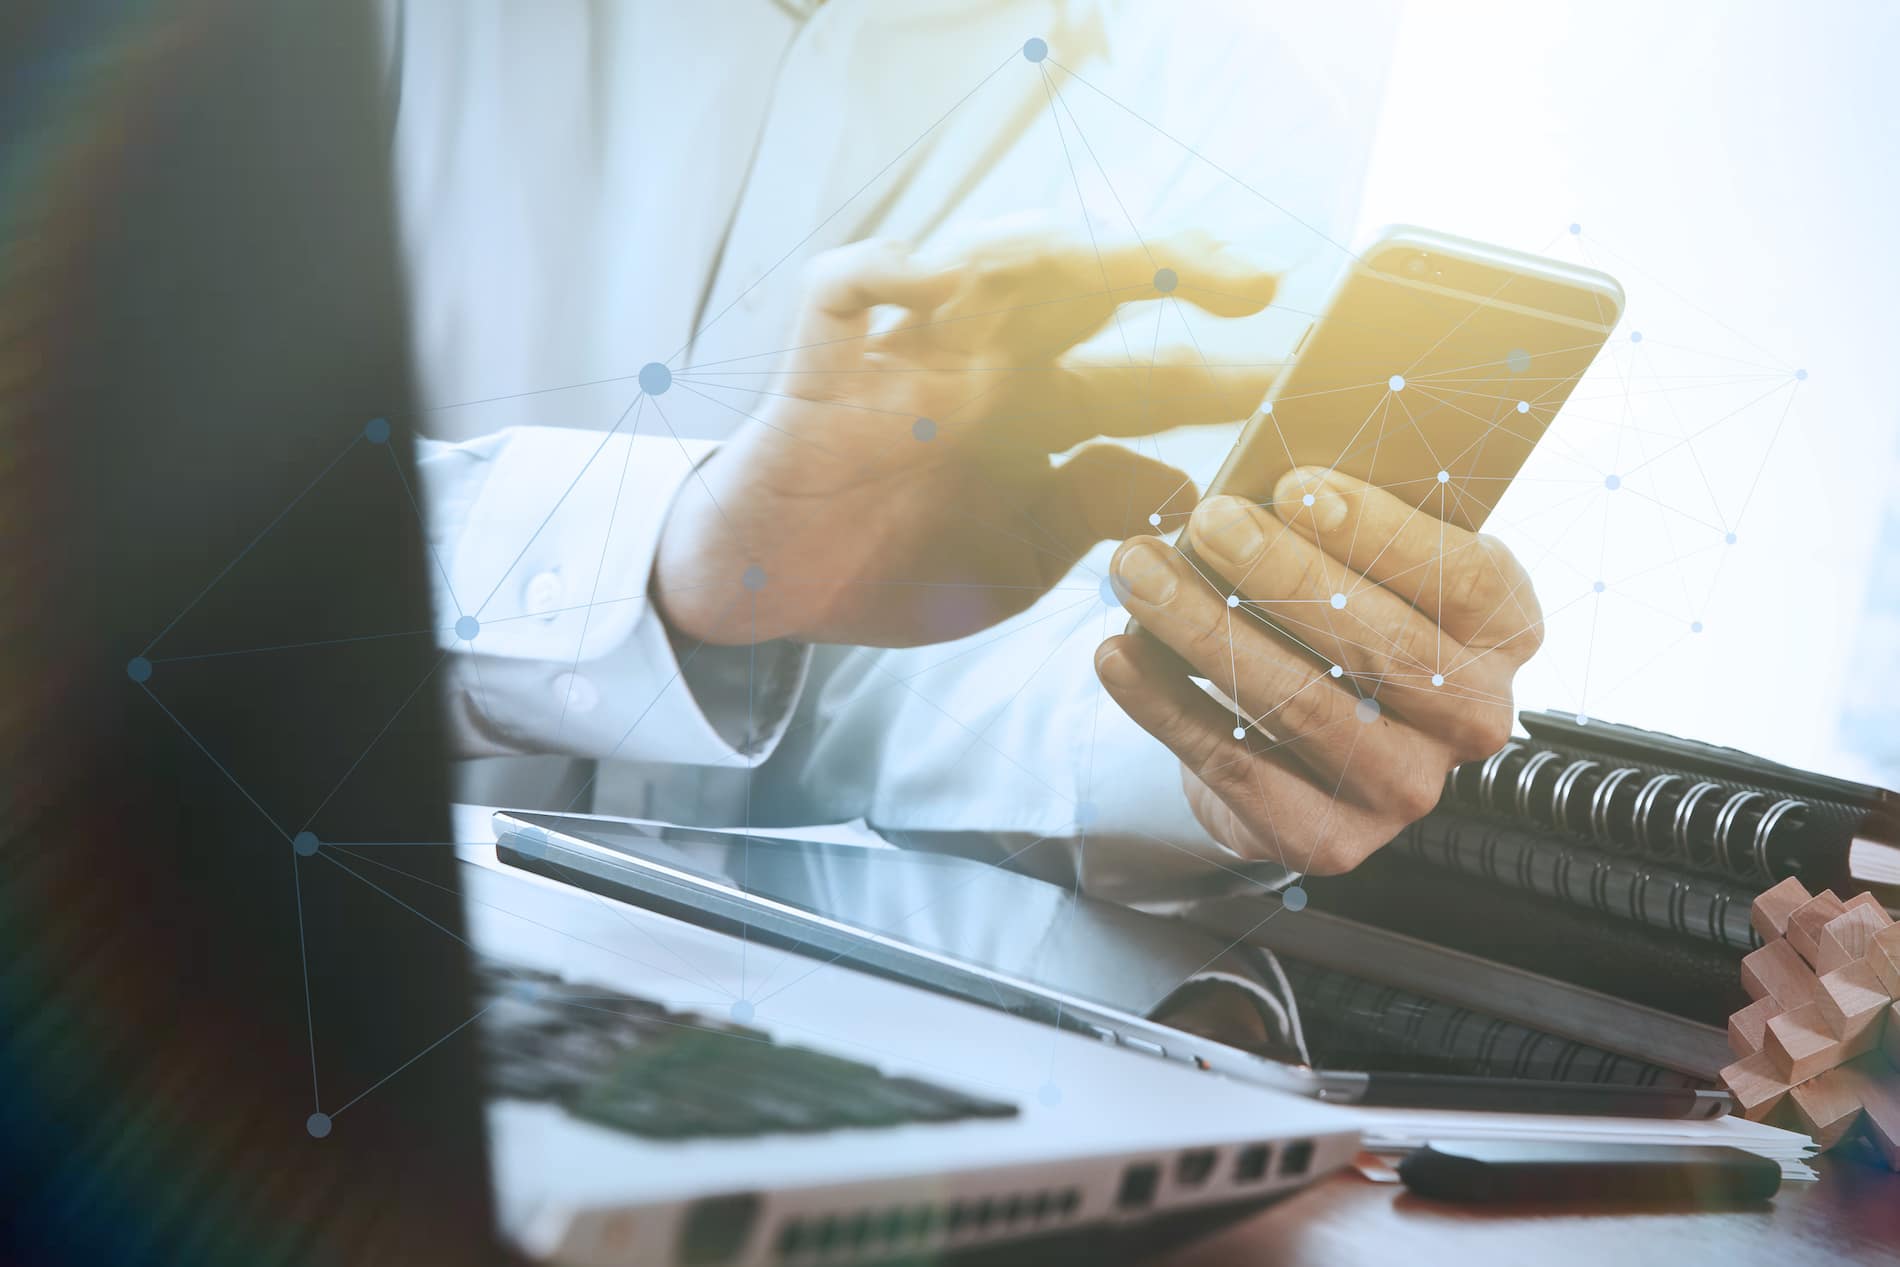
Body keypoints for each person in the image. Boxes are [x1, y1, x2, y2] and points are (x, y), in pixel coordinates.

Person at [397, 0, 1542, 890]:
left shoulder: (1233, 103)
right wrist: (675, 557)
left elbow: (959, 686)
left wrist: (1208, 756)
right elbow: (228, 544)